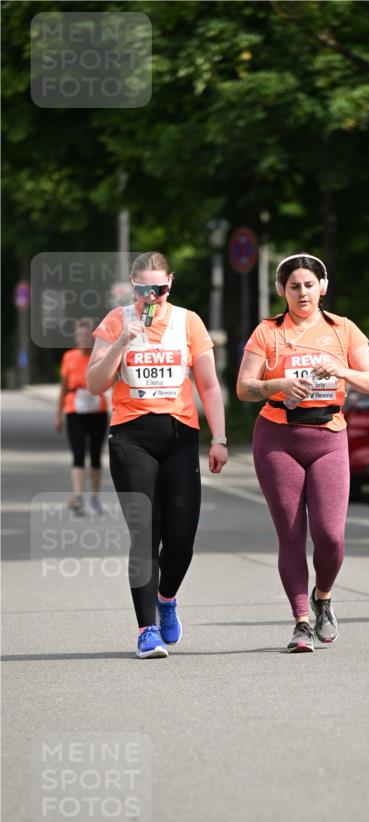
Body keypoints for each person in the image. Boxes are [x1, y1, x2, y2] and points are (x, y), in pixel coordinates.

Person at [236, 253, 369, 652]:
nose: (302, 292)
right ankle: (301, 621)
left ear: (324, 287)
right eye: (294, 285)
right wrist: (277, 384)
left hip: (329, 436)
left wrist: (341, 372)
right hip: (277, 438)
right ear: (282, 290)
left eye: (309, 284)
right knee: (292, 534)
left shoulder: (343, 330)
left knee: (330, 536)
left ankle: (324, 597)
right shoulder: (268, 332)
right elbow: (244, 387)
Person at [87, 251, 228, 658]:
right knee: (144, 534)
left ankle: (167, 600)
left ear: (171, 283)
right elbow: (96, 383)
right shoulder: (116, 321)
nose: (152, 297)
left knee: (181, 538)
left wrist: (219, 437)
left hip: (180, 435)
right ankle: (146, 629)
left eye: (160, 288)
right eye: (144, 289)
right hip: (131, 436)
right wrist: (122, 342)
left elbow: (209, 385)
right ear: (133, 286)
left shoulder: (189, 322)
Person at [55, 318, 108, 515]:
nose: (82, 338)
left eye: (86, 335)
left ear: (93, 338)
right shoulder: (68, 357)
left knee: (95, 455)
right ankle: (77, 496)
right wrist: (58, 415)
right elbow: (63, 387)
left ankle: (94, 498)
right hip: (74, 409)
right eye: (79, 335)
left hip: (97, 410)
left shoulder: (100, 356)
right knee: (78, 454)